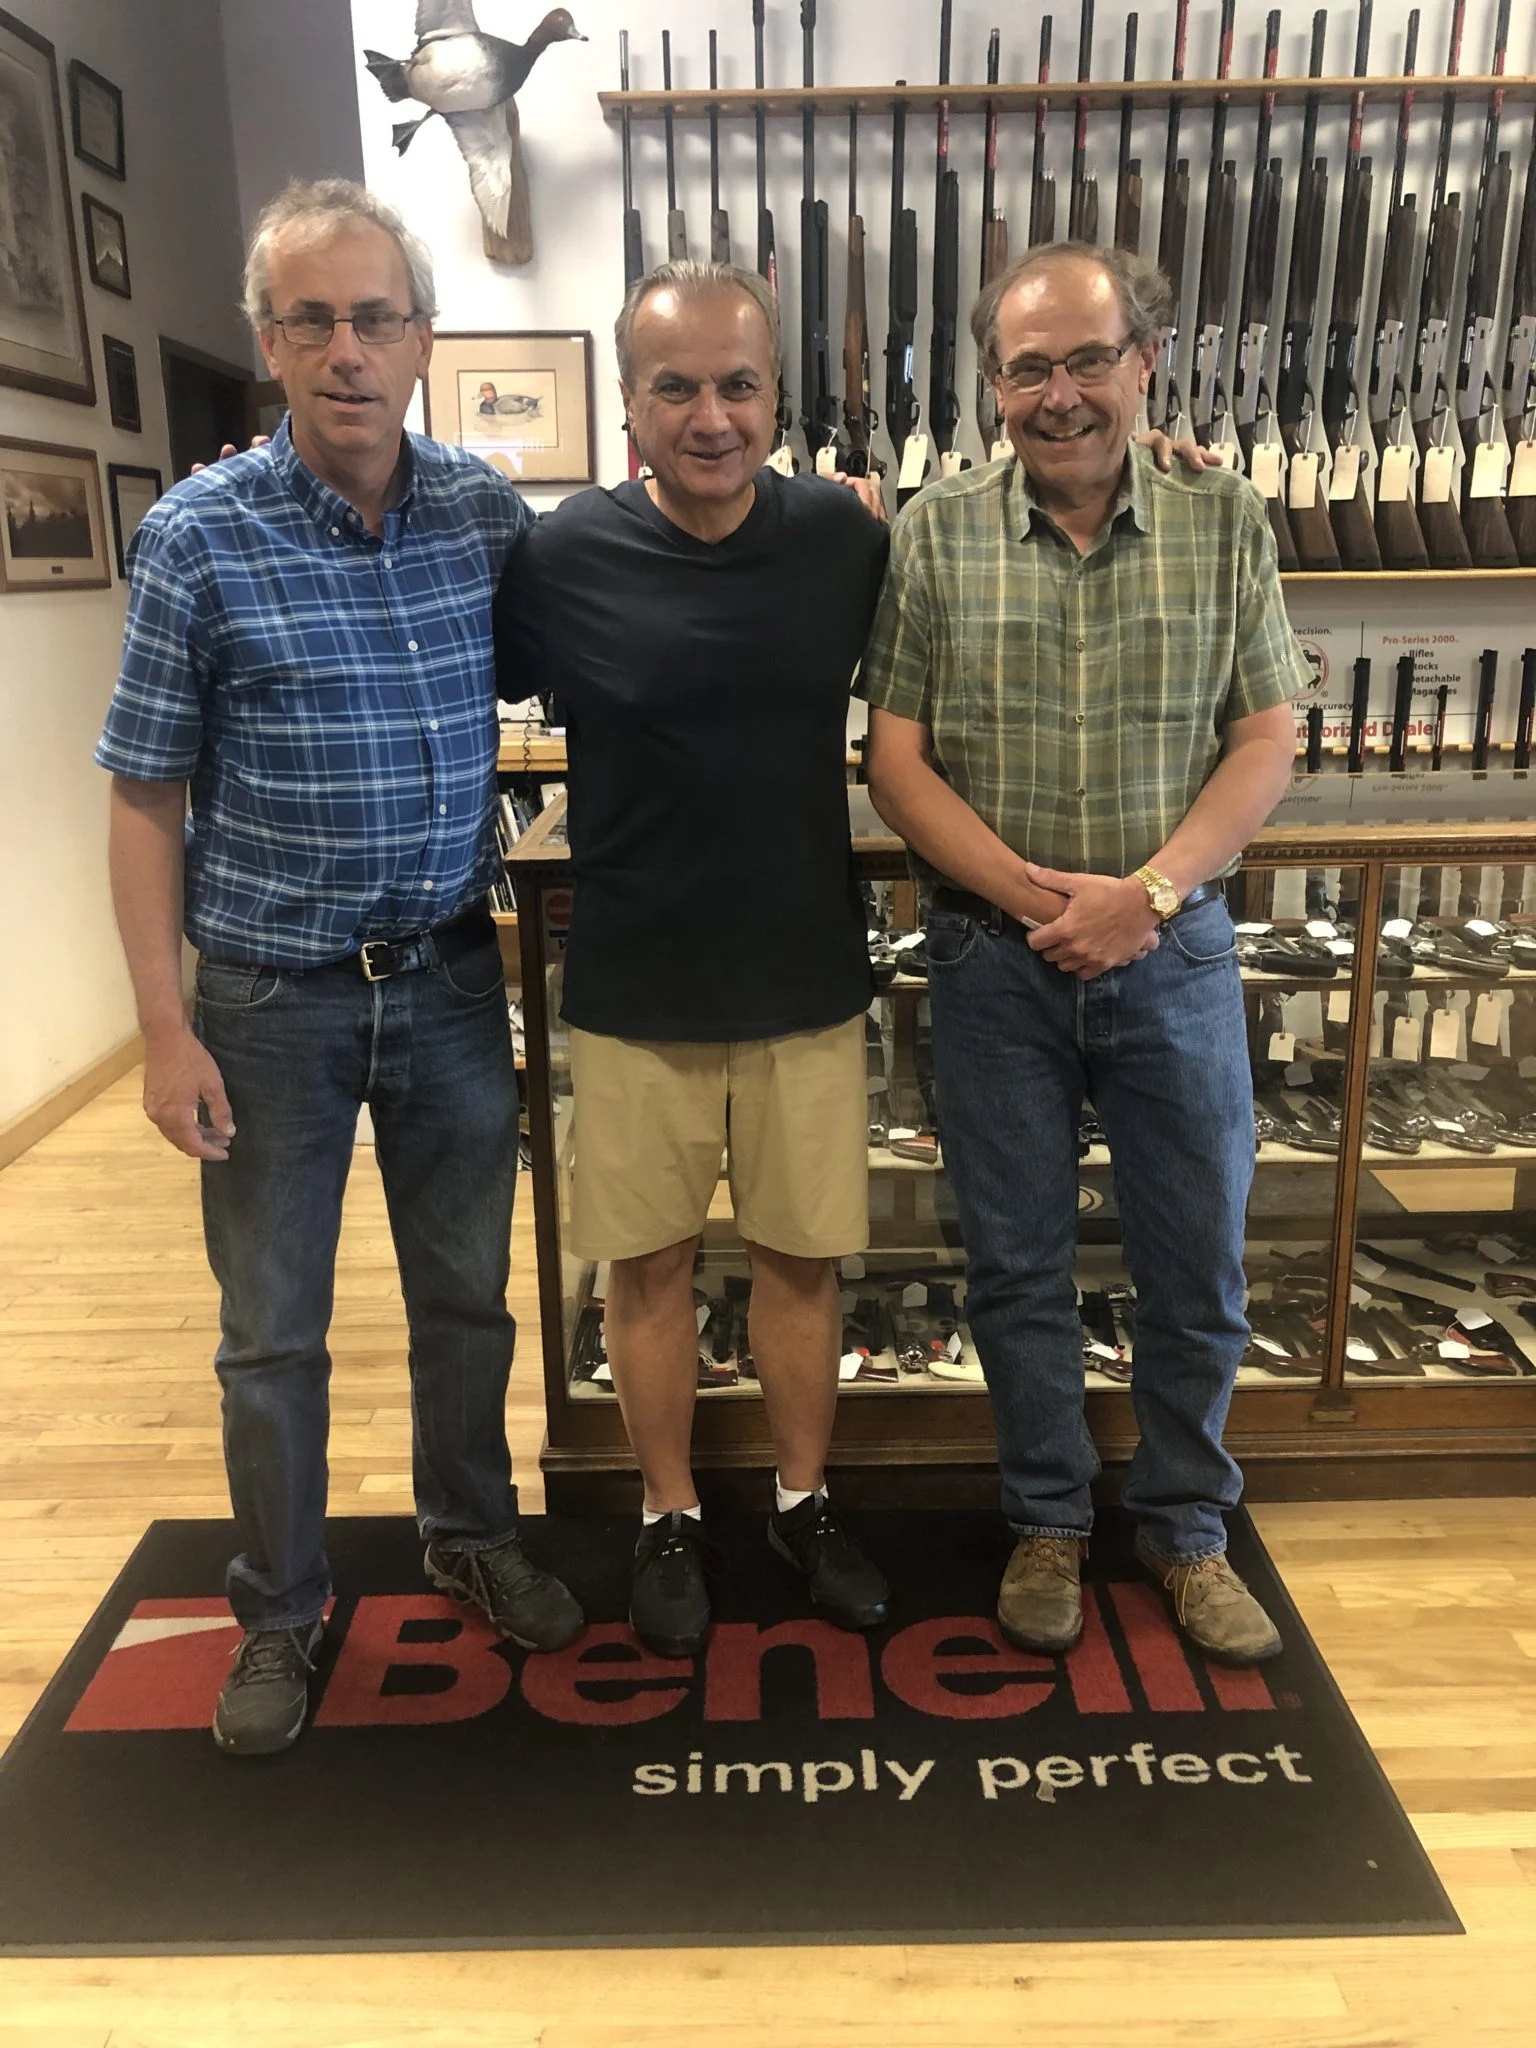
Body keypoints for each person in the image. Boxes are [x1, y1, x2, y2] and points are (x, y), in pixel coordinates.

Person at [95, 178, 582, 1759]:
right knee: (271, 1334)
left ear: (425, 337)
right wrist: (162, 1030)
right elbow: (144, 796)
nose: (348, 349)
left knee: (468, 1304)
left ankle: (467, 1528)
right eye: (312, 319)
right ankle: (284, 1606)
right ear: (269, 344)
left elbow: (628, 614)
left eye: (377, 316)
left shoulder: (482, 515)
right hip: (267, 1002)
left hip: (447, 978)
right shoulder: (196, 537)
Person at [863, 242, 1309, 1667]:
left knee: (1198, 1270)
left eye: (1087, 359)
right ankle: (1049, 1518)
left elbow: (1267, 737)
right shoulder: (933, 531)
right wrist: (1037, 898)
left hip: (1169, 962)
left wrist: (1150, 896)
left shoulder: (1228, 517)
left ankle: (1185, 1529)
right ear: (989, 383)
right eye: (1026, 367)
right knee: (1014, 1268)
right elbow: (897, 760)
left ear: (1146, 361)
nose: (1060, 394)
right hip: (993, 965)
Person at [493, 259, 896, 1658]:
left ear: (780, 395)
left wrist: (1150, 434)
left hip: (804, 976)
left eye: (739, 384)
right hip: (633, 979)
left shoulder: (848, 543)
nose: (712, 414)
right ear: (632, 401)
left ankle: (801, 1499)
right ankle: (669, 1512)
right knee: (647, 1269)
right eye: (678, 386)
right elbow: (430, 635)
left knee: (800, 1263)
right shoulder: (556, 558)